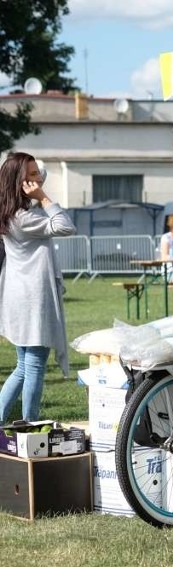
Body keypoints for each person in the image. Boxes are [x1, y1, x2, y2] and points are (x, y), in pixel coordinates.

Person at [0, 152, 77, 423]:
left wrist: (34, 182)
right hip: (33, 297)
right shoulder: (24, 218)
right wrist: (44, 198)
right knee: (33, 365)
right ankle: (30, 426)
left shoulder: (11, 212)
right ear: (18, 181)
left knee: (23, 366)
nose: (38, 179)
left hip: (18, 294)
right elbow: (66, 226)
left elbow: (38, 175)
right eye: (31, 175)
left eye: (37, 174)